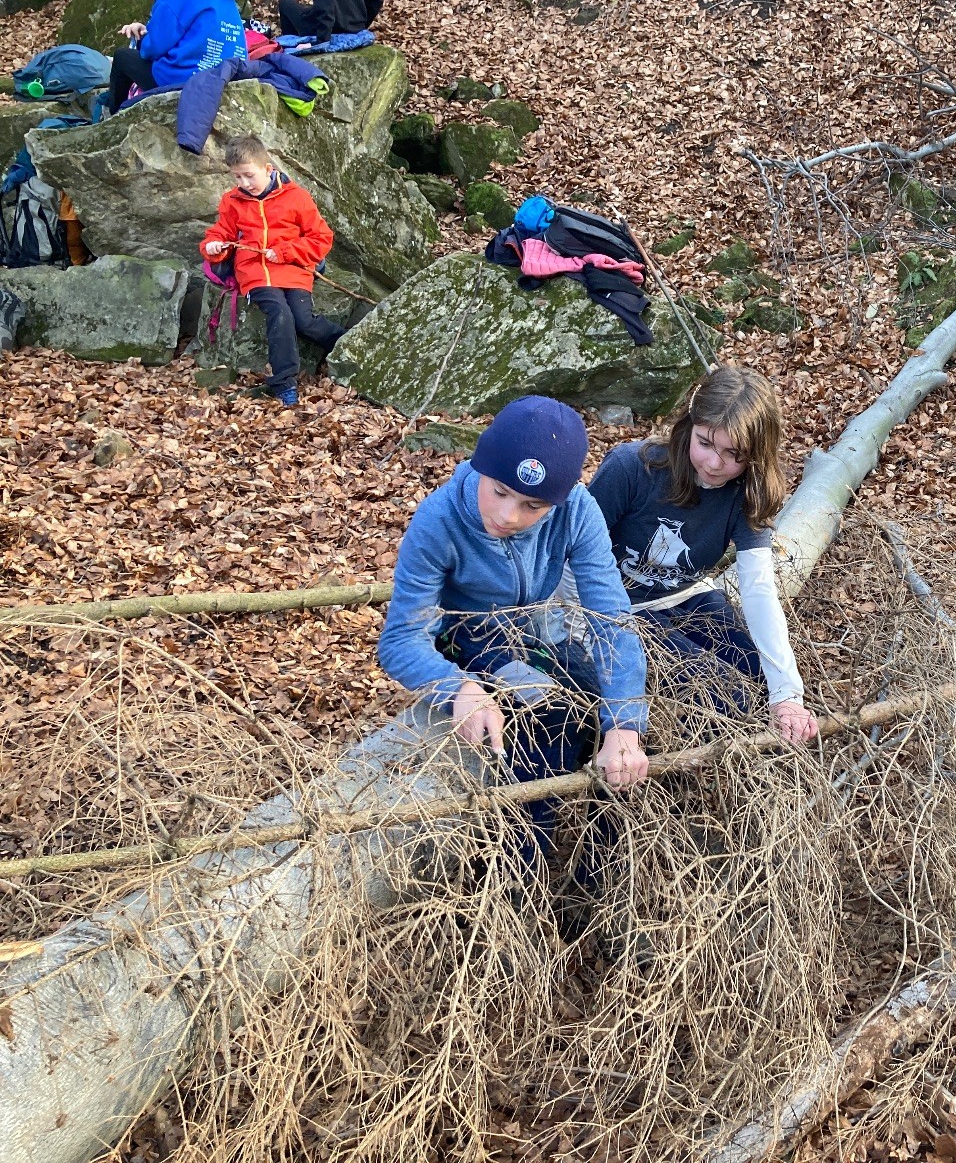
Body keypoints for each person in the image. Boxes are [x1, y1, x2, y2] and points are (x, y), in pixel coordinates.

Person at [378, 395, 651, 861]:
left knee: (604, 706)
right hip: (467, 634)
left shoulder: (577, 511)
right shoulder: (439, 520)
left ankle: (599, 868)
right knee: (549, 714)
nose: (508, 516)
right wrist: (456, 688)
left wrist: (624, 726)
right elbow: (401, 638)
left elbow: (611, 618)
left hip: (536, 632)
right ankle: (521, 874)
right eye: (500, 491)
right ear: (481, 466)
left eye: (532, 505)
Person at [586, 367, 819, 744]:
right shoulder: (632, 468)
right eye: (706, 443)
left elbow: (759, 589)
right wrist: (577, 624)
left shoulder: (747, 492)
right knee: (727, 696)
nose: (714, 464)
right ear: (690, 425)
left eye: (733, 454)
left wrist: (787, 694)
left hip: (686, 596)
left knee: (760, 678)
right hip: (623, 607)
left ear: (756, 455)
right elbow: (573, 548)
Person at [199, 135, 346, 408]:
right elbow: (220, 234)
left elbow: (321, 238)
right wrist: (214, 246)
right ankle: (284, 382)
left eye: (249, 175)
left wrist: (285, 252)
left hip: (294, 270)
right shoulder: (232, 201)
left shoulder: (297, 197)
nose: (244, 183)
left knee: (304, 320)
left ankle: (346, 343)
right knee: (280, 313)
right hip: (255, 273)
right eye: (237, 177)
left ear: (267, 169)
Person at [111, 0, 246, 111]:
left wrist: (142, 40)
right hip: (230, 73)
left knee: (122, 57)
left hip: (187, 78)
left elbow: (154, 47)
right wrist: (147, 31)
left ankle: (113, 119)